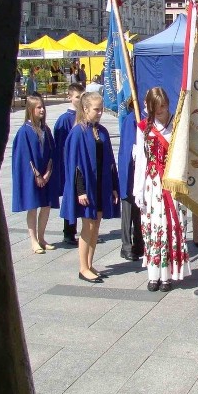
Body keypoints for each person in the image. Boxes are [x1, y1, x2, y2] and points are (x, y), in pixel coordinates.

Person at [133, 87, 190, 291]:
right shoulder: (143, 127)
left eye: (163, 106)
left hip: (172, 184)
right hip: (152, 185)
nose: (161, 110)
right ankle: (153, 274)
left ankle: (168, 275)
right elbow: (140, 160)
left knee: (170, 228)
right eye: (156, 107)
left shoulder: (176, 125)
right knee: (154, 228)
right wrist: (138, 190)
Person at [61, 92, 120, 282]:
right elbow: (74, 164)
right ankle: (83, 267)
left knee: (96, 225)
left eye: (101, 108)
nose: (100, 112)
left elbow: (109, 160)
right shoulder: (78, 132)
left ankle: (90, 263)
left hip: (101, 185)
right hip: (87, 187)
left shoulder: (101, 131)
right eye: (96, 109)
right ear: (85, 109)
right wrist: (81, 190)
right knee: (88, 225)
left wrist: (113, 186)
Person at [11, 94, 58, 254]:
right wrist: (37, 175)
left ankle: (42, 237)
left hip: (46, 174)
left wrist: (48, 173)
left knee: (46, 206)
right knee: (33, 207)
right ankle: (33, 240)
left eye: (43, 107)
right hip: (33, 176)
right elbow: (25, 155)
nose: (42, 110)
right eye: (39, 107)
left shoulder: (46, 129)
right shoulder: (25, 131)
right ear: (31, 110)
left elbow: (52, 152)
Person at [52, 82, 85, 246]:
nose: (80, 100)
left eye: (82, 96)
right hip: (68, 165)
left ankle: (84, 231)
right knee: (70, 197)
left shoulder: (84, 117)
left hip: (81, 165)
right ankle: (68, 232)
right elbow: (60, 146)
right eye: (77, 97)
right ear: (70, 97)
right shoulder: (64, 120)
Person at [118, 98, 145, 261]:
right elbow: (128, 148)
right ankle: (126, 245)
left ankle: (139, 242)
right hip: (131, 170)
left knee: (139, 210)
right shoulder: (131, 119)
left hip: (142, 171)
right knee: (128, 209)